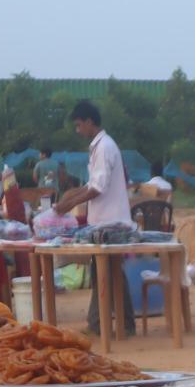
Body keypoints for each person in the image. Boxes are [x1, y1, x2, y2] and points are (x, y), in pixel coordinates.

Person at [54, 101, 136, 335]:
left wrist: (71, 203)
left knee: (105, 272)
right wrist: (72, 196)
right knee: (110, 272)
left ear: (89, 122)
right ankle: (120, 323)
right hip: (105, 221)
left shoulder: (104, 147)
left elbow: (98, 188)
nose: (78, 130)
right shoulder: (100, 146)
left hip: (110, 223)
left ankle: (100, 323)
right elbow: (92, 184)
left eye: (79, 125)